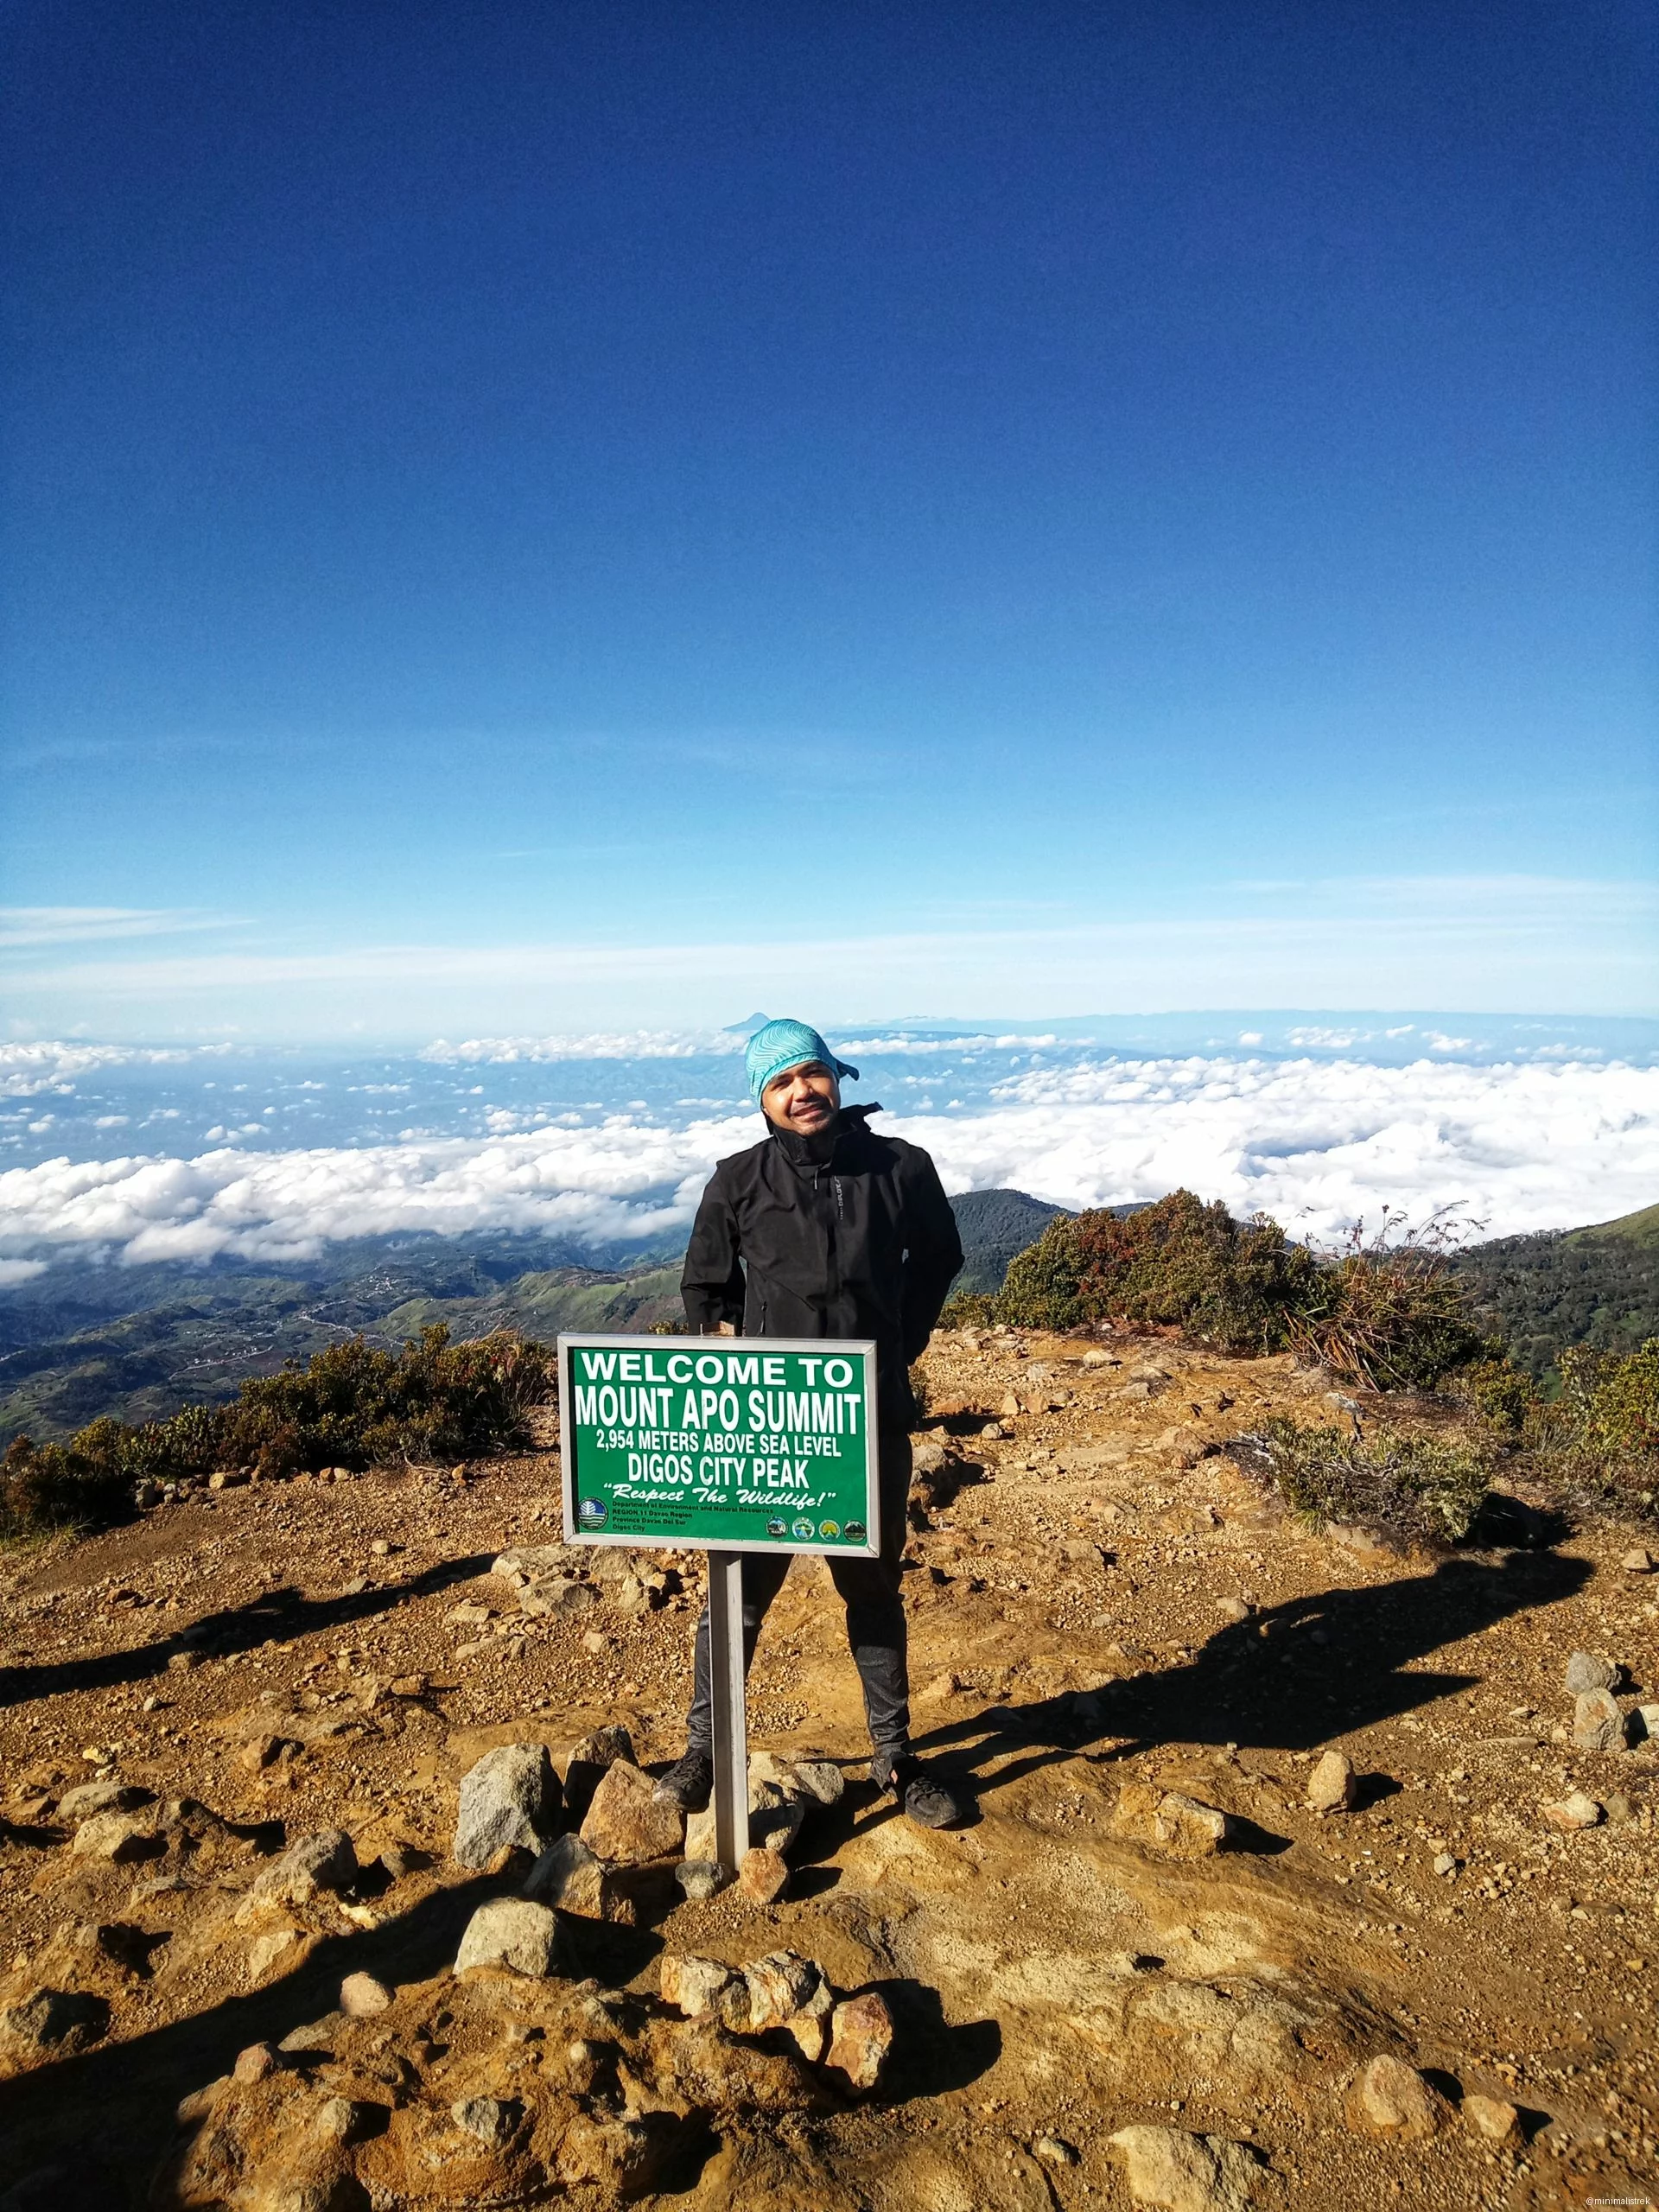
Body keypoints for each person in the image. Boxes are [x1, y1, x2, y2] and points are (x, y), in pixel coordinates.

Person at [653, 1016, 968, 1828]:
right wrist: (731, 1357)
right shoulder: (739, 1180)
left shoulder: (902, 1168)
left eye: (811, 1076)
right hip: (766, 1428)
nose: (802, 1094)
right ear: (762, 1100)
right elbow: (706, 1288)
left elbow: (939, 1259)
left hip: (869, 1417)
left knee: (871, 1591)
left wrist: (904, 1336)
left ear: (837, 1077)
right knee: (738, 1595)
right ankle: (704, 1749)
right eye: (781, 1084)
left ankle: (897, 1761)